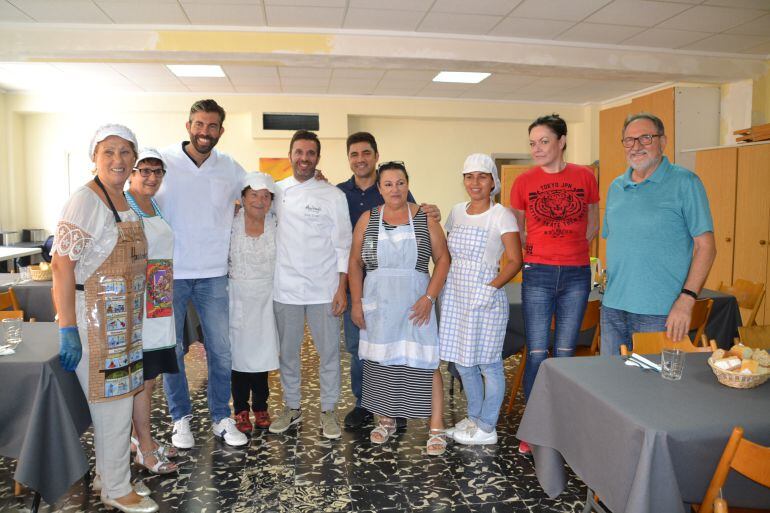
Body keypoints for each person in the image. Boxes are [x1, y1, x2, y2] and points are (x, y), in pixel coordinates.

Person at [52, 124, 159, 512]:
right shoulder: (85, 200)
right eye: (108, 152)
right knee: (112, 407)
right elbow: (62, 267)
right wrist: (67, 327)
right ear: (94, 157)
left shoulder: (122, 200)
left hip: (121, 322)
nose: (118, 160)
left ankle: (107, 477)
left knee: (118, 401)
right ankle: (117, 489)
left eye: (125, 152)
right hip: (93, 320)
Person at [155, 99, 248, 448]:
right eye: (198, 124)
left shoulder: (230, 168)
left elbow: (262, 194)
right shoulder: (162, 161)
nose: (204, 132)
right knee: (172, 348)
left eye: (211, 126)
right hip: (170, 272)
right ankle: (181, 419)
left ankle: (221, 417)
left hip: (213, 274)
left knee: (221, 349)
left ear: (221, 131)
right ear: (188, 125)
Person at [510, 114, 599, 455]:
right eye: (532, 143)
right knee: (536, 353)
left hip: (576, 273)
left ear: (561, 141)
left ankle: (561, 425)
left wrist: (571, 248)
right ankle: (535, 430)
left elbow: (592, 219)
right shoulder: (523, 182)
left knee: (564, 354)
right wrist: (539, 251)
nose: (537, 149)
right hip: (538, 273)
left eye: (543, 141)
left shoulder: (585, 176)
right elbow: (517, 229)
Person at [348, 161, 450, 455]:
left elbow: (443, 260)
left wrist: (429, 298)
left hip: (416, 303)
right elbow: (355, 262)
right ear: (379, 188)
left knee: (426, 362)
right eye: (388, 184)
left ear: (408, 184)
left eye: (400, 183)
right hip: (379, 303)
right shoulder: (367, 219)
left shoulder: (425, 218)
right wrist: (356, 302)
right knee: (382, 362)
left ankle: (436, 427)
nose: (395, 189)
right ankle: (386, 419)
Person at [600, 113, 715, 354]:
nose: (636, 146)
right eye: (629, 140)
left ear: (663, 142)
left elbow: (706, 247)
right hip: (613, 308)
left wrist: (686, 299)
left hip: (661, 312)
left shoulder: (686, 183)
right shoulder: (615, 187)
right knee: (609, 385)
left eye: (645, 138)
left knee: (655, 388)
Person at [269, 130, 352, 439]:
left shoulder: (333, 195)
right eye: (299, 152)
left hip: (324, 289)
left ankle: (329, 410)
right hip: (285, 288)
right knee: (287, 355)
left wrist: (341, 287)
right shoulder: (276, 192)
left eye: (310, 153)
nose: (304, 158)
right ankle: (292, 407)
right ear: (290, 155)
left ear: (318, 158)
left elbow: (343, 244)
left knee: (329, 354)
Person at [441, 153, 522, 445]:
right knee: (464, 363)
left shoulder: (502, 215)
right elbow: (447, 254)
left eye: (482, 177)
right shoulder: (456, 211)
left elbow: (515, 260)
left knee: (488, 364)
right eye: (469, 176)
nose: (475, 183)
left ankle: (487, 426)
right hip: (457, 296)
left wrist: (489, 288)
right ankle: (473, 417)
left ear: (493, 182)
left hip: (486, 298)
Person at [337, 132, 415, 428]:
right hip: (356, 284)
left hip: (394, 289)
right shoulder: (338, 193)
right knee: (360, 349)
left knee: (394, 347)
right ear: (349, 159)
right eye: (354, 154)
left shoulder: (396, 191)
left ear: (376, 155)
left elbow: (417, 223)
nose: (360, 159)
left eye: (366, 153)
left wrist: (431, 211)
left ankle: (396, 404)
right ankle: (365, 404)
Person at [126, 148, 179, 475]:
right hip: (141, 305)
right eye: (144, 170)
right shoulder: (126, 208)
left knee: (151, 377)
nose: (151, 177)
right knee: (143, 380)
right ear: (132, 172)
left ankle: (140, 437)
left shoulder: (154, 205)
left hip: (159, 301)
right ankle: (144, 448)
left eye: (157, 171)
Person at [228, 172, 280, 432]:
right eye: (254, 195)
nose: (259, 201)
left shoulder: (277, 223)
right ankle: (240, 409)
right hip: (237, 297)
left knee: (262, 356)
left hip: (267, 298)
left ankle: (261, 406)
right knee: (239, 358)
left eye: (265, 196)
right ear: (243, 197)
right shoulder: (230, 223)